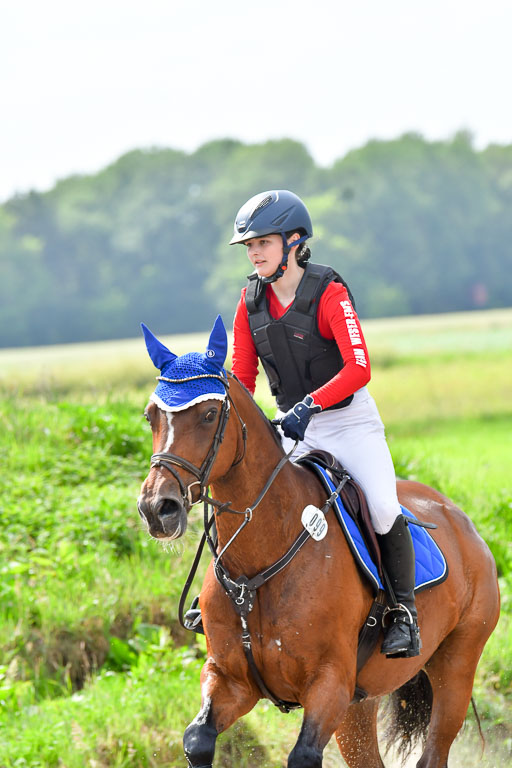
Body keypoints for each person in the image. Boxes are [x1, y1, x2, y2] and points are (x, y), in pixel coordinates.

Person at [227, 189, 421, 658]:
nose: (253, 253)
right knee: (248, 498)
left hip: (349, 423)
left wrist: (310, 405)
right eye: (248, 246)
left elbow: (359, 367)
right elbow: (243, 375)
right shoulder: (250, 300)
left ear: (294, 242)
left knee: (381, 505)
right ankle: (227, 599)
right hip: (294, 428)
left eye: (263, 243)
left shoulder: (328, 292)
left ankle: (403, 614)